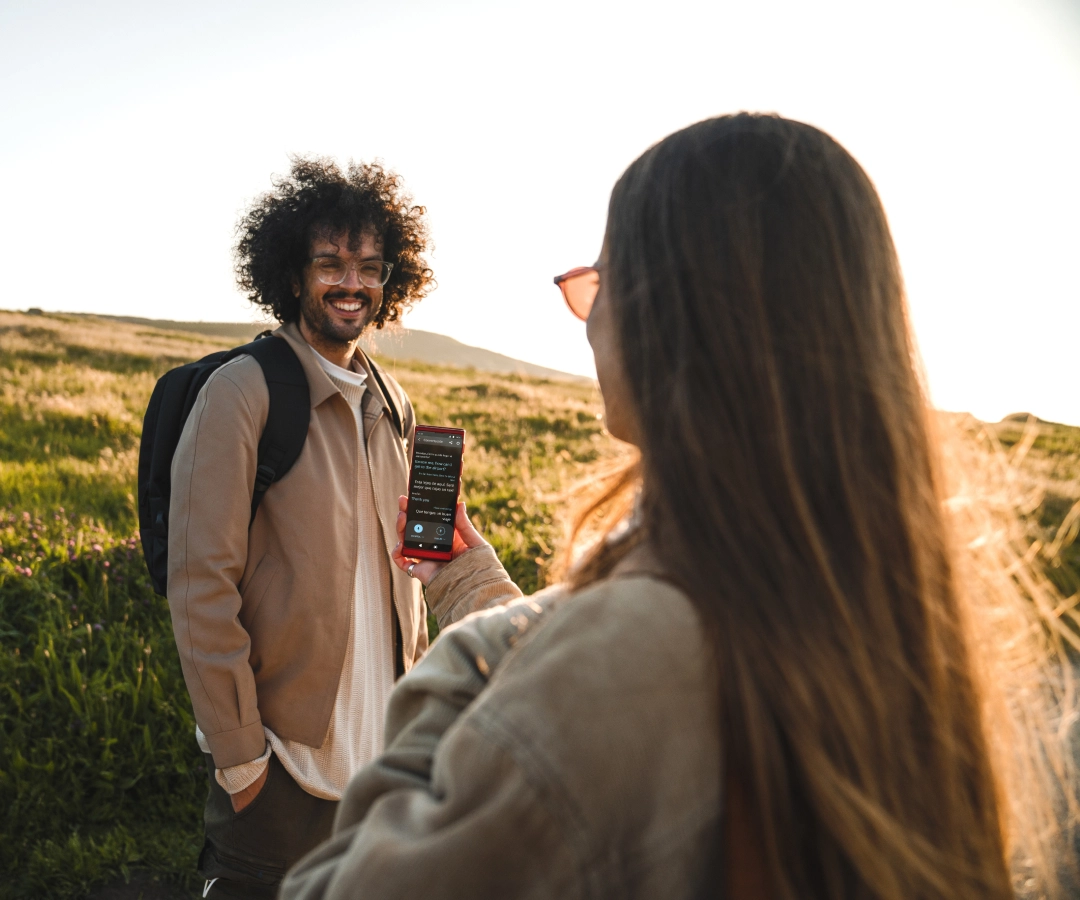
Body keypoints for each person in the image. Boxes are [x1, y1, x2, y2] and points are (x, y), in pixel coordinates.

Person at [279, 115, 1070, 900]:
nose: (587, 324)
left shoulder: (626, 655)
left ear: (664, 311)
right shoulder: (891, 607)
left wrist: (471, 656)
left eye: (597, 286)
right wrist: (476, 583)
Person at [166, 157, 451, 899]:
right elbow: (201, 586)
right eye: (329, 264)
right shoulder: (243, 391)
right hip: (279, 771)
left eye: (369, 267)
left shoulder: (395, 407)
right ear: (292, 275)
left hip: (380, 770)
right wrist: (241, 762)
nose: (351, 284)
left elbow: (424, 565)